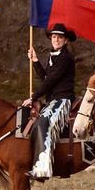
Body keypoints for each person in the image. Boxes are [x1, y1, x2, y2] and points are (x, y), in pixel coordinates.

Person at [23, 22, 76, 180]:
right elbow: (46, 78)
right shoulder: (54, 56)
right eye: (54, 37)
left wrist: (33, 97)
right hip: (53, 100)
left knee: (44, 123)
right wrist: (35, 61)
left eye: (60, 37)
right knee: (37, 122)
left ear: (65, 40)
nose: (56, 40)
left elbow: (49, 82)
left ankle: (43, 168)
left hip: (63, 99)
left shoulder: (65, 58)